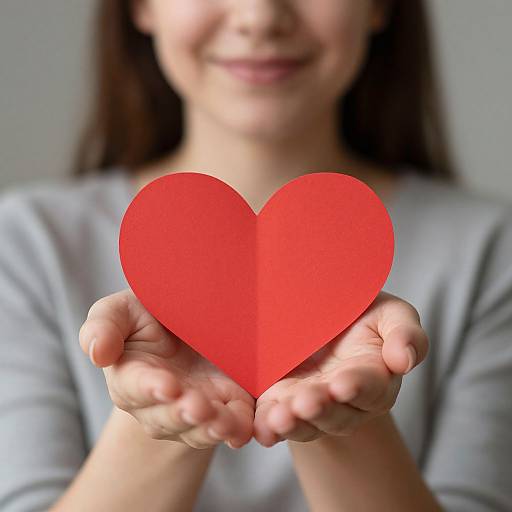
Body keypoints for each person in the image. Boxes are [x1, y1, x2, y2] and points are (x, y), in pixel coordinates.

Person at [0, 0, 511, 510]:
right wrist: (157, 422)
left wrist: (349, 419)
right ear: (140, 7)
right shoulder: (28, 243)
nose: (260, 16)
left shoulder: (492, 251)